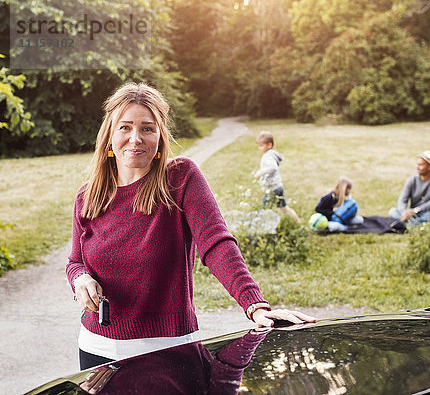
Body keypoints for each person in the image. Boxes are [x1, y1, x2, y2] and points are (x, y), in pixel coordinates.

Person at [66, 82, 315, 370]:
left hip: (168, 350)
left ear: (160, 138)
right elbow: (75, 262)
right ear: (110, 135)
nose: (135, 138)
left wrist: (255, 305)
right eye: (125, 127)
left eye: (147, 128)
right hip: (96, 349)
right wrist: (81, 279)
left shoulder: (180, 178)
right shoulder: (88, 195)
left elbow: (217, 244)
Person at [389, 150, 430, 228]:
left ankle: (409, 225)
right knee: (392, 211)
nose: (417, 167)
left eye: (421, 165)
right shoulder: (412, 180)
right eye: (417, 164)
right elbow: (402, 200)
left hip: (427, 212)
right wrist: (404, 213)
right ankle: (419, 225)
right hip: (413, 215)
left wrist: (416, 210)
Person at [253, 131, 301, 222]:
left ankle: (261, 226)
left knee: (264, 209)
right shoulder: (273, 154)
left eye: (261, 145)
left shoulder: (268, 156)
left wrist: (259, 173)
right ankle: (298, 221)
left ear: (269, 145)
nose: (259, 148)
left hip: (272, 188)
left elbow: (272, 167)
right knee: (284, 208)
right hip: (278, 186)